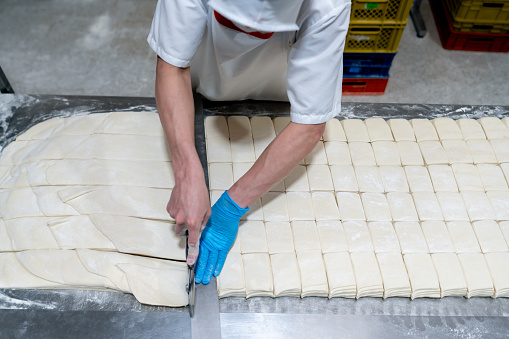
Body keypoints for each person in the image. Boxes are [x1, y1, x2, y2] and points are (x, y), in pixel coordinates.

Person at [148, 0, 351, 284]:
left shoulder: (328, 4)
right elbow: (173, 67)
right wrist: (186, 171)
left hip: (276, 93)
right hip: (203, 80)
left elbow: (308, 125)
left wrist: (232, 205)